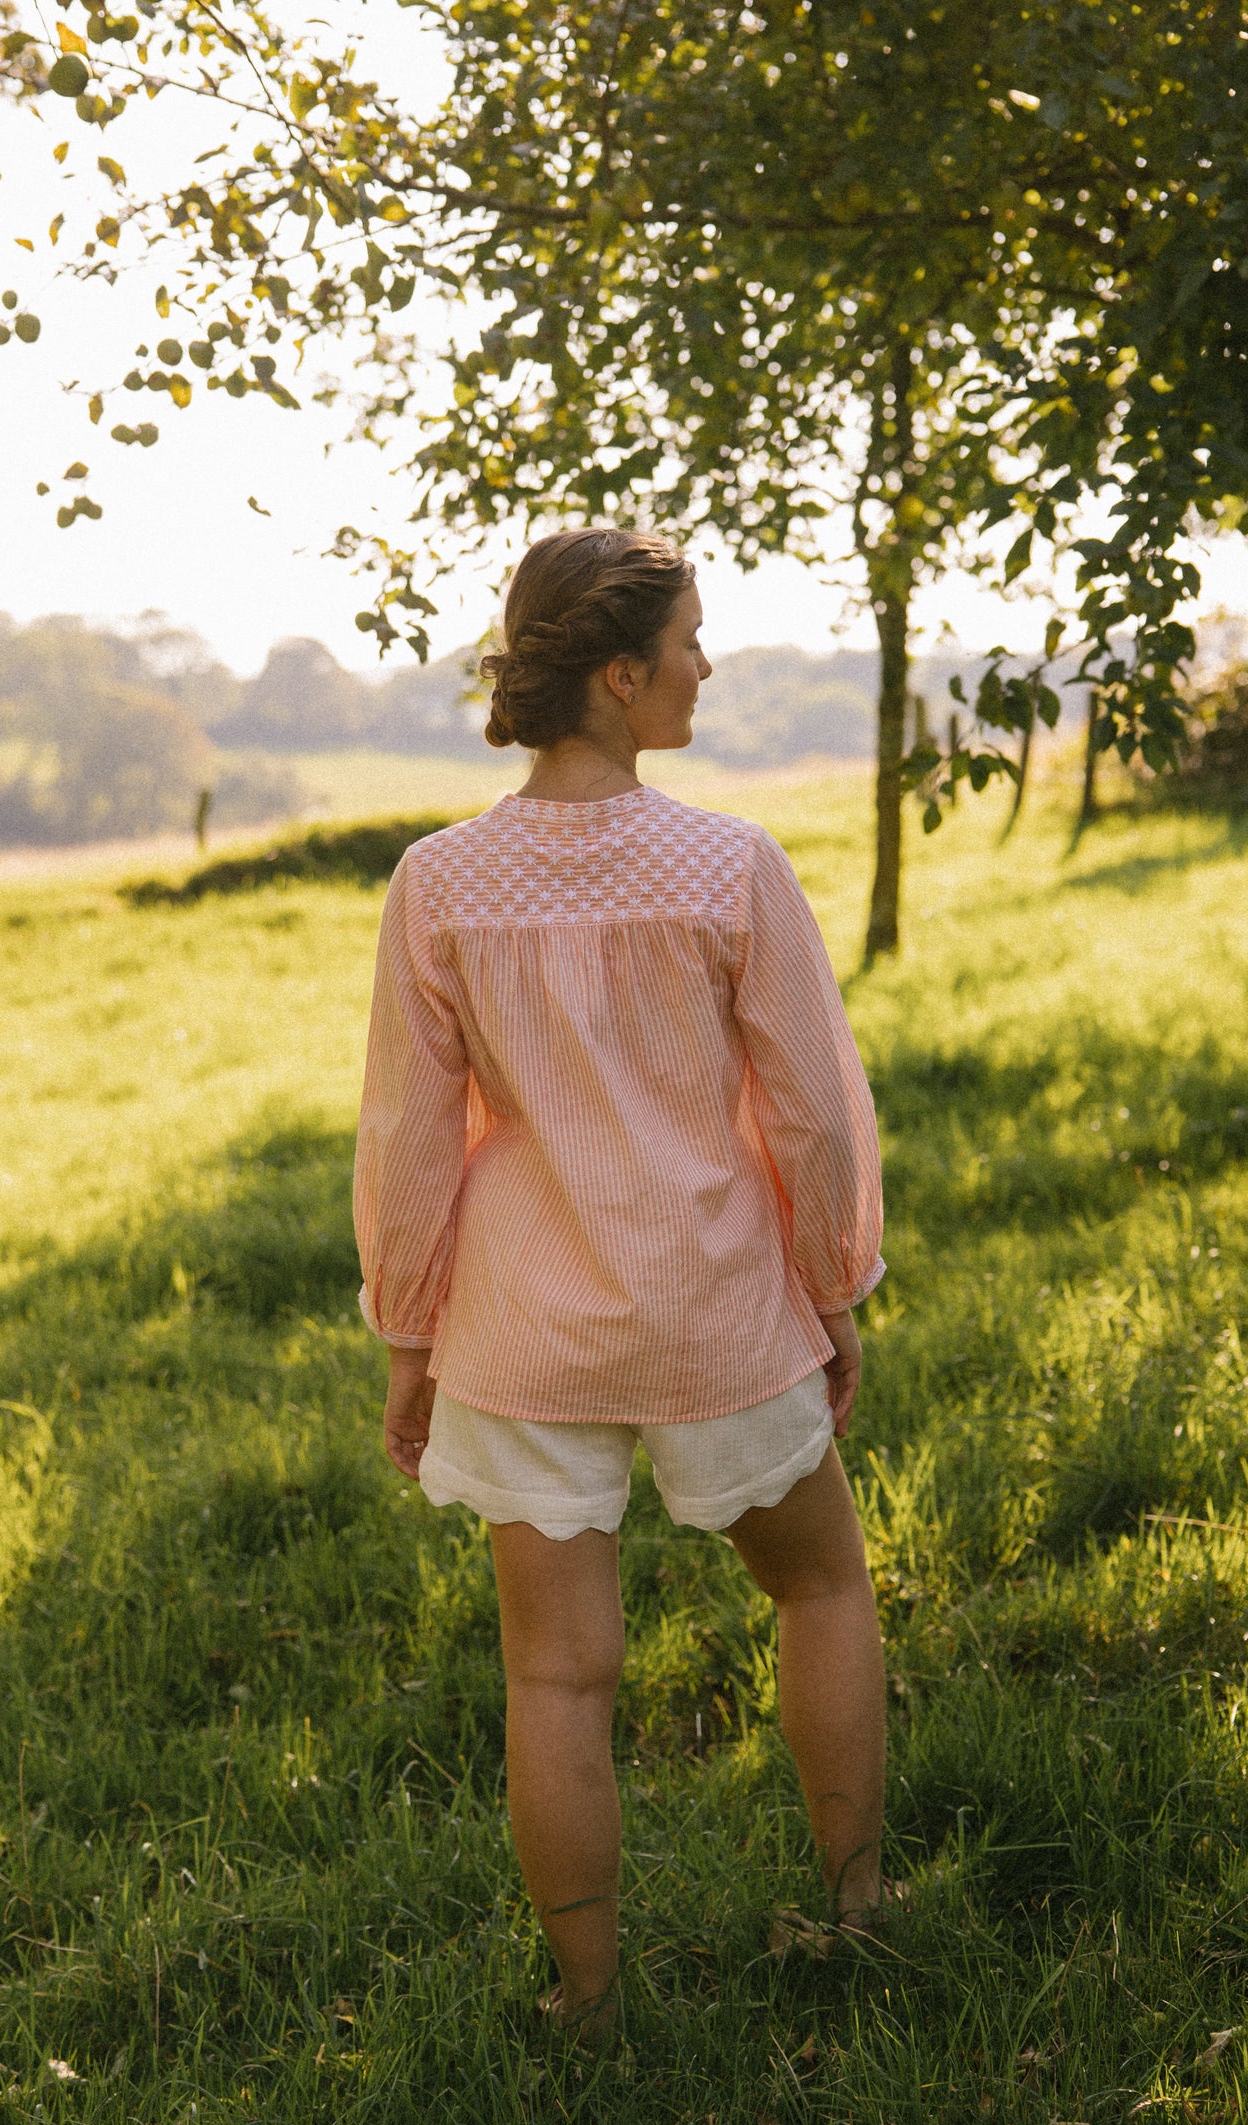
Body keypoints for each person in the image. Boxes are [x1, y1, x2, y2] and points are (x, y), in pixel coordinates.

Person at [352, 528, 887, 2041]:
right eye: (691, 642)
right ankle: (857, 1905)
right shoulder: (728, 863)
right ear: (617, 674)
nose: (707, 666)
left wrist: (408, 1336)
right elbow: (808, 1109)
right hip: (715, 1302)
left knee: (557, 1677)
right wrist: (831, 1290)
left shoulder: (437, 880)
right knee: (822, 1585)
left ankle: (586, 1997)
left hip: (521, 1327)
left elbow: (406, 1135)